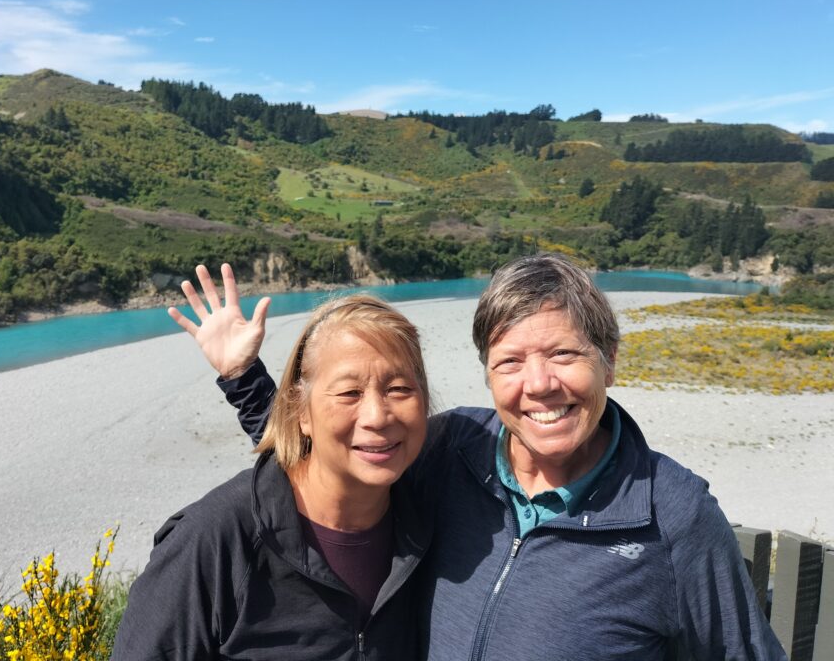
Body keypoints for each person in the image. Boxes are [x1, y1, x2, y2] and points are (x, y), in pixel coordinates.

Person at [191, 255, 787, 661]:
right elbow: (340, 452)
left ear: (609, 359)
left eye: (563, 353)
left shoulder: (672, 514)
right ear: (487, 374)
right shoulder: (451, 450)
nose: (540, 384)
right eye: (510, 362)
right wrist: (243, 377)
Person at [111, 268, 433, 660]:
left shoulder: (433, 516)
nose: (378, 416)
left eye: (399, 389)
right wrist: (241, 377)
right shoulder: (218, 538)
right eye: (349, 392)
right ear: (301, 411)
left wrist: (243, 376)